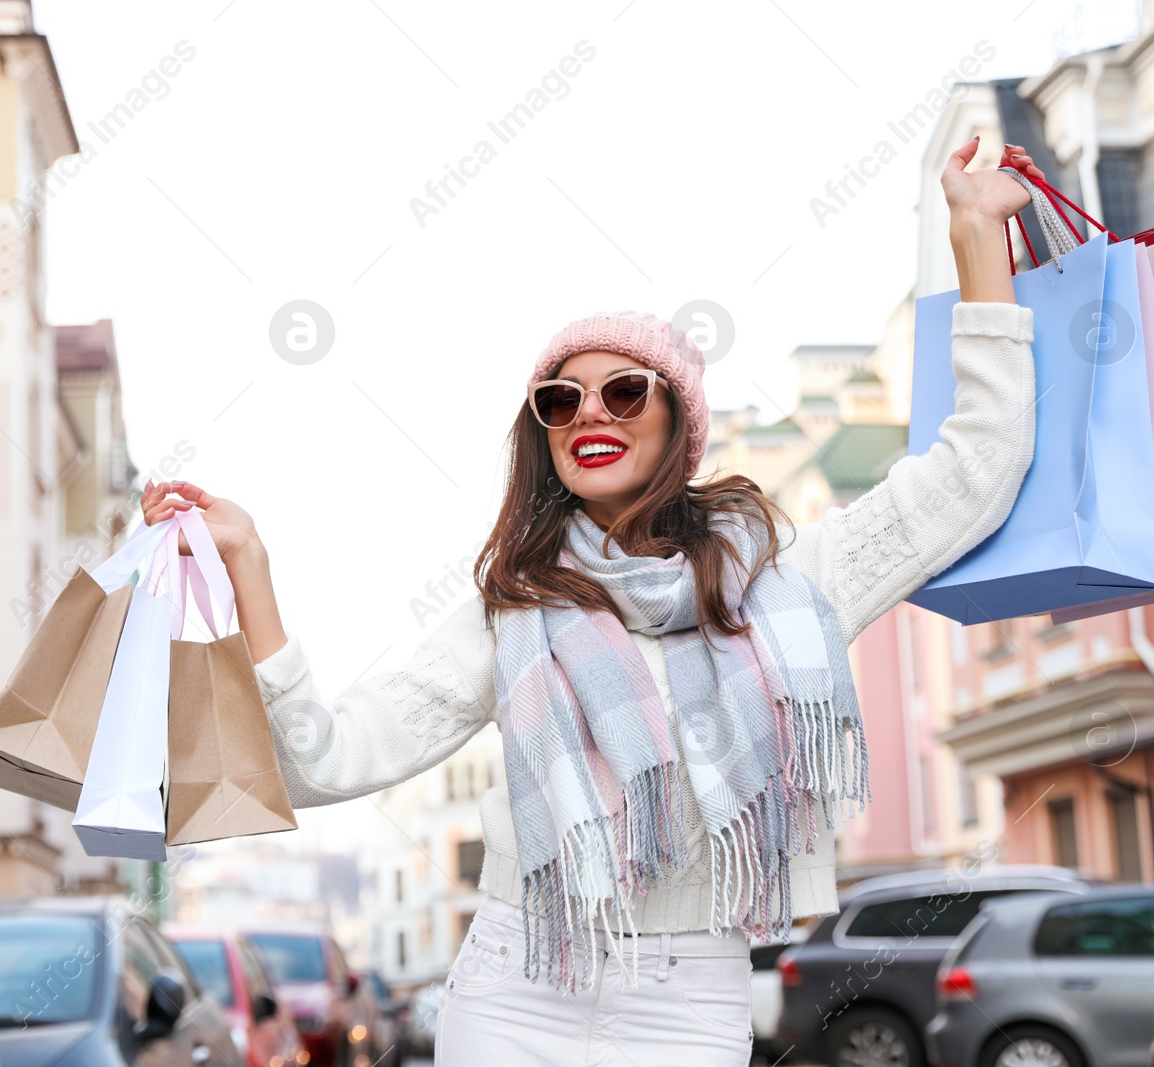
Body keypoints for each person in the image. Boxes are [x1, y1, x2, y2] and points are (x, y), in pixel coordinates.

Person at [142, 139, 1045, 1066]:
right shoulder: (514, 607)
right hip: (517, 977)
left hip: (689, 990)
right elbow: (326, 762)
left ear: (678, 419)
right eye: (560, 399)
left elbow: (974, 473)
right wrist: (249, 562)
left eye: (623, 389)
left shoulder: (784, 579)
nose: (590, 414)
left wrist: (976, 234)